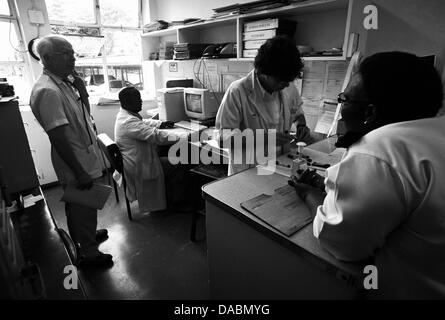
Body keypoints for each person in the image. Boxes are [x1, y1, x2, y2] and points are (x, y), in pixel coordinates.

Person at [291, 51, 445, 299]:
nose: (340, 109)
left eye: (344, 99)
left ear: (369, 113)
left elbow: (342, 243)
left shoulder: (379, 149)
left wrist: (310, 195)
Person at [30, 35, 112, 268]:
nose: (72, 57)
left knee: (82, 206)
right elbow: (57, 137)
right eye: (65, 53)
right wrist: (79, 170)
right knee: (81, 206)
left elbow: (85, 118)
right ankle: (89, 254)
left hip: (82, 155)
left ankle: (85, 236)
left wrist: (82, 91)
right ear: (46, 58)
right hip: (75, 162)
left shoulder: (64, 83)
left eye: (72, 52)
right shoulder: (48, 91)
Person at [215, 36, 311, 174]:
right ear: (263, 72)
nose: (285, 85)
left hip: (281, 166)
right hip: (248, 171)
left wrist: (302, 125)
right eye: (280, 80)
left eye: (288, 81)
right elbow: (223, 139)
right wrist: (265, 139)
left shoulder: (286, 86)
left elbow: (297, 112)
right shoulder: (237, 92)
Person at [114, 87, 200, 213]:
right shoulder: (128, 122)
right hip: (140, 165)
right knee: (184, 162)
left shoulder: (125, 115)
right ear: (126, 102)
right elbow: (157, 136)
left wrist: (160, 124)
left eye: (140, 98)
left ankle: (172, 195)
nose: (141, 101)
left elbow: (143, 122)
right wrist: (185, 136)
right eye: (137, 99)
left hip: (136, 160)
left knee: (173, 153)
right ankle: (177, 202)